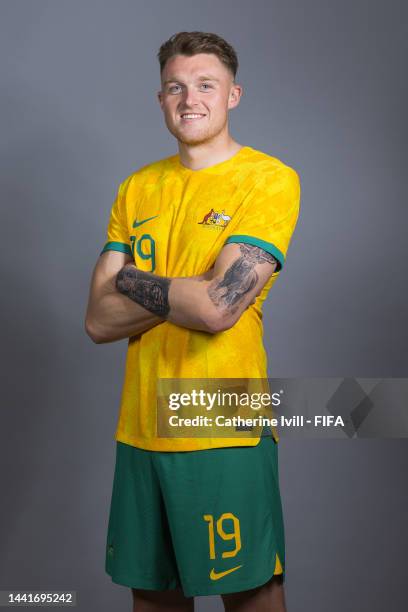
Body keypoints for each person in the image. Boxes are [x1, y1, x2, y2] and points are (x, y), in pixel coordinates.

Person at [85, 31, 301, 612]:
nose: (190, 98)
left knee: (252, 590)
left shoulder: (268, 179)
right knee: (154, 598)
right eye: (176, 86)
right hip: (140, 424)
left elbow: (217, 308)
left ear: (233, 94)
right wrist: (188, 288)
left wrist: (128, 279)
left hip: (222, 415)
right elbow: (98, 321)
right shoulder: (137, 187)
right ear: (160, 98)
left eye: (206, 84)